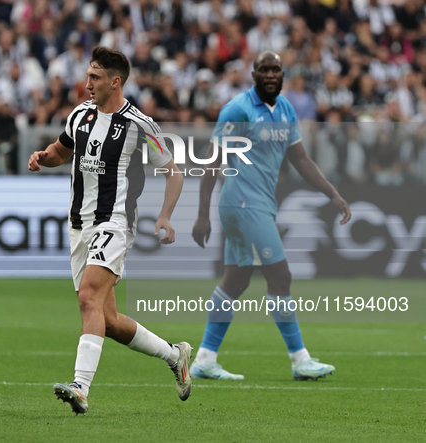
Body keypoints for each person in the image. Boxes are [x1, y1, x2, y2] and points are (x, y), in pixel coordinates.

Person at [28, 46, 192, 415]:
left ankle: (80, 388)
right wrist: (43, 157)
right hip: (78, 226)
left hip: (115, 222)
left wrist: (165, 216)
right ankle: (175, 355)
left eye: (95, 77)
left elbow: (174, 171)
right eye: (88, 76)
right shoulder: (80, 115)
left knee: (88, 297)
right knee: (109, 321)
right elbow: (60, 151)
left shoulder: (139, 125)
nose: (87, 84)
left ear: (115, 82)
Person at [190, 51, 351, 381]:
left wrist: (333, 194)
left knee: (236, 281)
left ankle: (205, 357)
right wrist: (202, 213)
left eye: (275, 69)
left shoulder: (287, 109)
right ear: (253, 74)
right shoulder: (238, 109)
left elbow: (301, 160)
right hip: (243, 204)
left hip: (259, 204)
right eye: (263, 69)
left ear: (283, 73)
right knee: (280, 277)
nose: (270, 74)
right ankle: (299, 359)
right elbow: (212, 160)